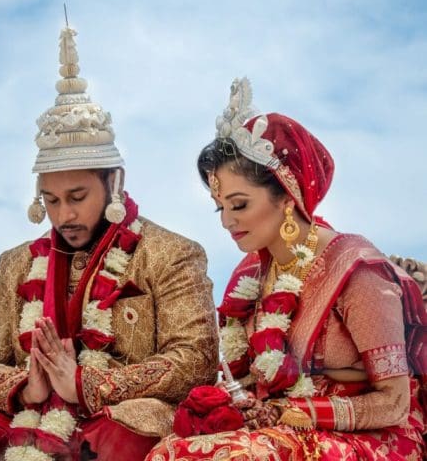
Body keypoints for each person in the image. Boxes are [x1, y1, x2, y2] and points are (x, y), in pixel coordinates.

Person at [0, 24, 218, 461]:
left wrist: (84, 384)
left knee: (115, 437)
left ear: (113, 182)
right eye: (51, 200)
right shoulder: (18, 264)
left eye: (77, 197)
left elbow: (195, 359)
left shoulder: (171, 254)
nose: (63, 215)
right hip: (27, 418)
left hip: (115, 420)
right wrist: (27, 386)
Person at [146, 77, 426, 460]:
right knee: (169, 451)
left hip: (371, 437)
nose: (226, 222)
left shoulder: (359, 272)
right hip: (280, 430)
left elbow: (394, 403)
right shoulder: (252, 273)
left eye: (239, 205)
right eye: (220, 207)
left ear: (288, 196)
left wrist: (294, 412)